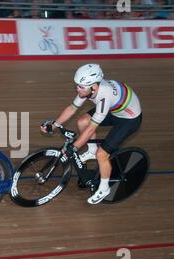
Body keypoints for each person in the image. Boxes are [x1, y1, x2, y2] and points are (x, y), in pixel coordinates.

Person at [41, 64, 142, 204]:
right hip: (115, 110)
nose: (78, 89)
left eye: (81, 87)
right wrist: (54, 124)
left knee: (102, 154)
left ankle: (104, 188)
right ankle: (91, 151)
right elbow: (72, 108)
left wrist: (74, 147)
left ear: (94, 86)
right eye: (77, 85)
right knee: (82, 121)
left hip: (129, 120)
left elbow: (91, 130)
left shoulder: (103, 98)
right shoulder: (89, 89)